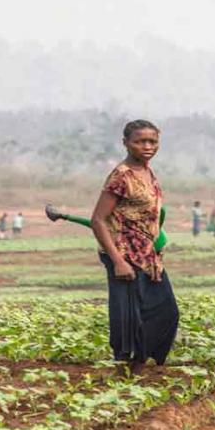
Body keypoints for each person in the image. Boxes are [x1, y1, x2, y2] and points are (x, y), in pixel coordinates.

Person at [91, 120, 179, 376]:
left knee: (165, 311)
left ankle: (138, 365)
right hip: (124, 254)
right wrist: (118, 260)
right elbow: (98, 220)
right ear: (126, 143)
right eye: (140, 141)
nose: (148, 146)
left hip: (147, 255)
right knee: (128, 317)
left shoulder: (148, 172)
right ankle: (126, 371)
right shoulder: (121, 176)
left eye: (152, 141)